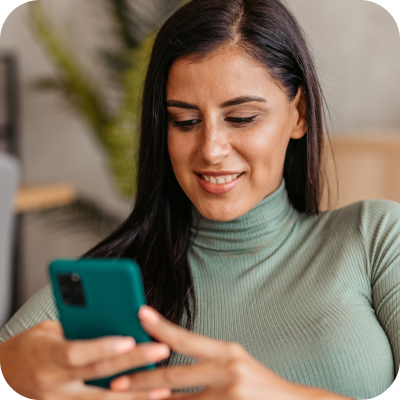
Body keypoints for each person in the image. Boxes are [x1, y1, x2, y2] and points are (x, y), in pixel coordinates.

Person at [0, 0, 398, 399]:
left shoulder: (375, 238)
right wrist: (12, 367)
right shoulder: (111, 285)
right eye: (185, 121)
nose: (211, 150)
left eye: (241, 118)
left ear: (299, 115)